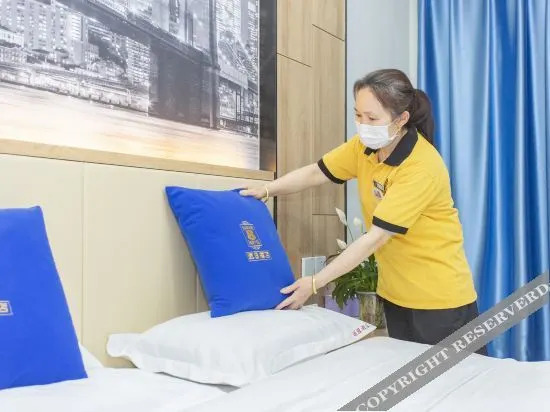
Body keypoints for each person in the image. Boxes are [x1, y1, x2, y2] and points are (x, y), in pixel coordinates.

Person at [240, 69, 486, 355]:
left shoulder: (421, 166)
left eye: (372, 118)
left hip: (440, 301)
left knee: (456, 381)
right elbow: (317, 172)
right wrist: (266, 190)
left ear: (401, 119)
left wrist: (315, 283)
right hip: (396, 295)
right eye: (358, 115)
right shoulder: (364, 148)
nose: (362, 125)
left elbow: (375, 239)